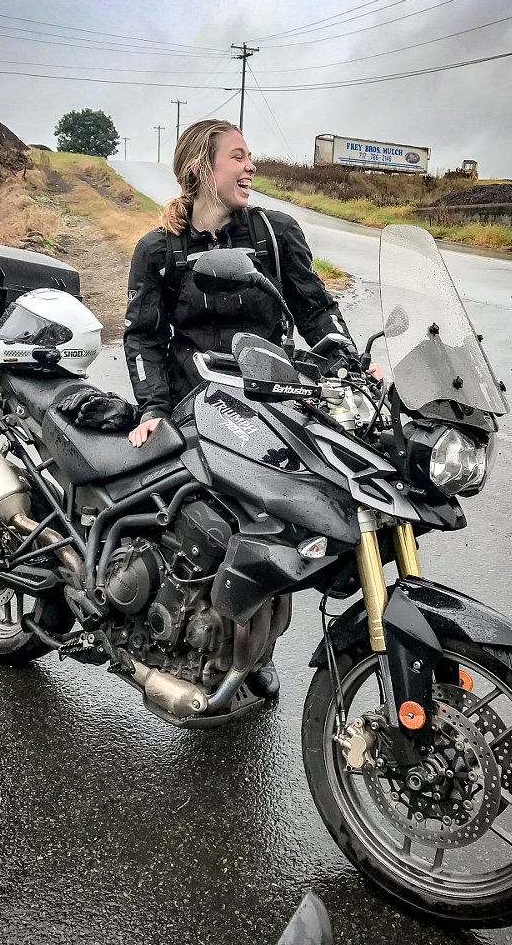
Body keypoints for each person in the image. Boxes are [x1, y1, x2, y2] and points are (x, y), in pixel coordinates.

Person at [122, 119, 357, 699]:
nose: (250, 166)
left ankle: (256, 649)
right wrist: (152, 408)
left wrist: (352, 365)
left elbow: (315, 311)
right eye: (238, 156)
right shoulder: (159, 249)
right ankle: (191, 635)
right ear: (202, 167)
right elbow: (144, 337)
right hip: (194, 408)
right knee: (210, 531)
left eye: (252, 156)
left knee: (280, 527)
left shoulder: (275, 234)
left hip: (271, 406)